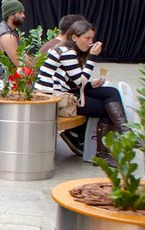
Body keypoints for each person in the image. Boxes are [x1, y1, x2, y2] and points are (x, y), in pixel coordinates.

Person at [34, 20, 128, 163]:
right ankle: (104, 152)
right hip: (54, 99)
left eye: (92, 38)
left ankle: (125, 132)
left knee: (111, 92)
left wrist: (90, 84)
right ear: (74, 37)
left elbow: (73, 81)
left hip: (62, 92)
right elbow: (79, 81)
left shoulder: (67, 50)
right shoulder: (67, 52)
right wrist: (92, 57)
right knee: (105, 109)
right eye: (87, 38)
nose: (90, 42)